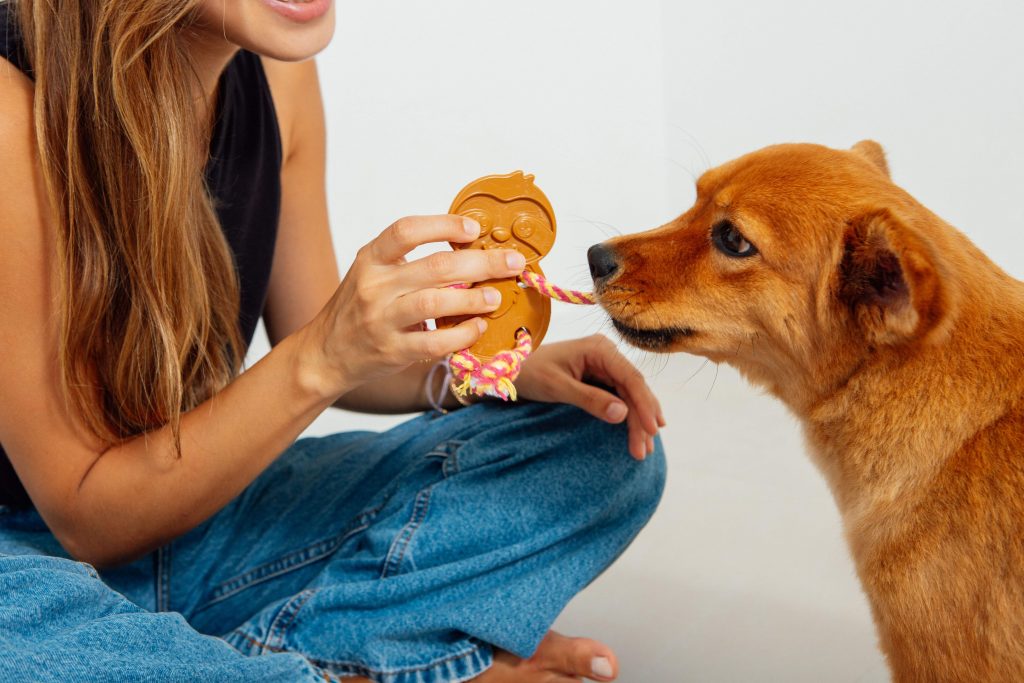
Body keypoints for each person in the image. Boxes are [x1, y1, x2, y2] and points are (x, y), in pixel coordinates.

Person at [0, 1, 667, 681]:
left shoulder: (277, 75)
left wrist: (472, 365)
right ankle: (353, 660)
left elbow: (327, 342)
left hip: (197, 525)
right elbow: (91, 523)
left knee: (597, 447)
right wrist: (325, 352)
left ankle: (240, 659)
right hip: (23, 564)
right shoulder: (7, 106)